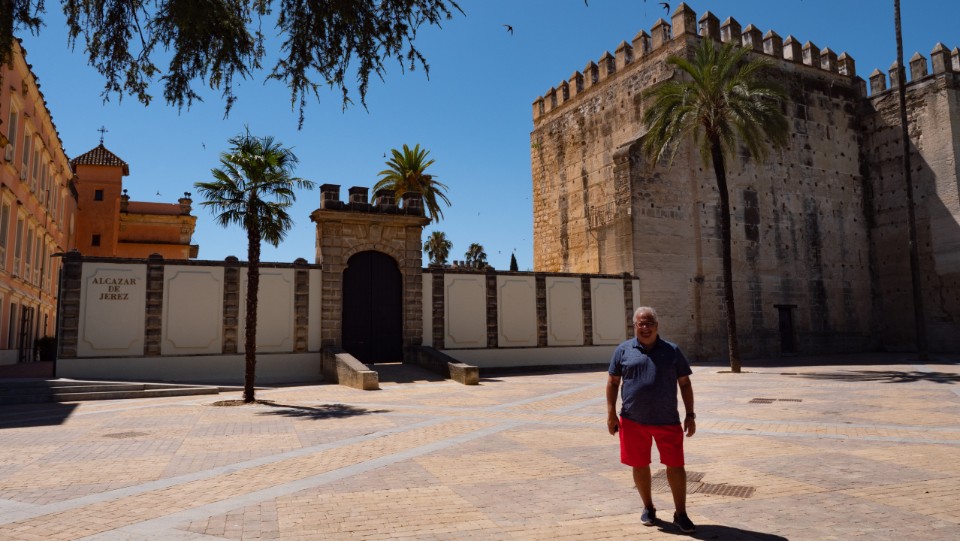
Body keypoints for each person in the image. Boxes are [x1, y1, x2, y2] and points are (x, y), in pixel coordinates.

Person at [606, 306, 696, 533]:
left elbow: (685, 383)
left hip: (668, 420)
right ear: (634, 326)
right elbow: (613, 382)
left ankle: (681, 513)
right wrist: (610, 414)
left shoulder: (672, 350)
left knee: (676, 466)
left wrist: (690, 415)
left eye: (649, 323)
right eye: (641, 324)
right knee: (639, 464)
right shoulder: (623, 350)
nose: (645, 327)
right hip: (632, 420)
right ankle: (648, 507)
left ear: (657, 326)